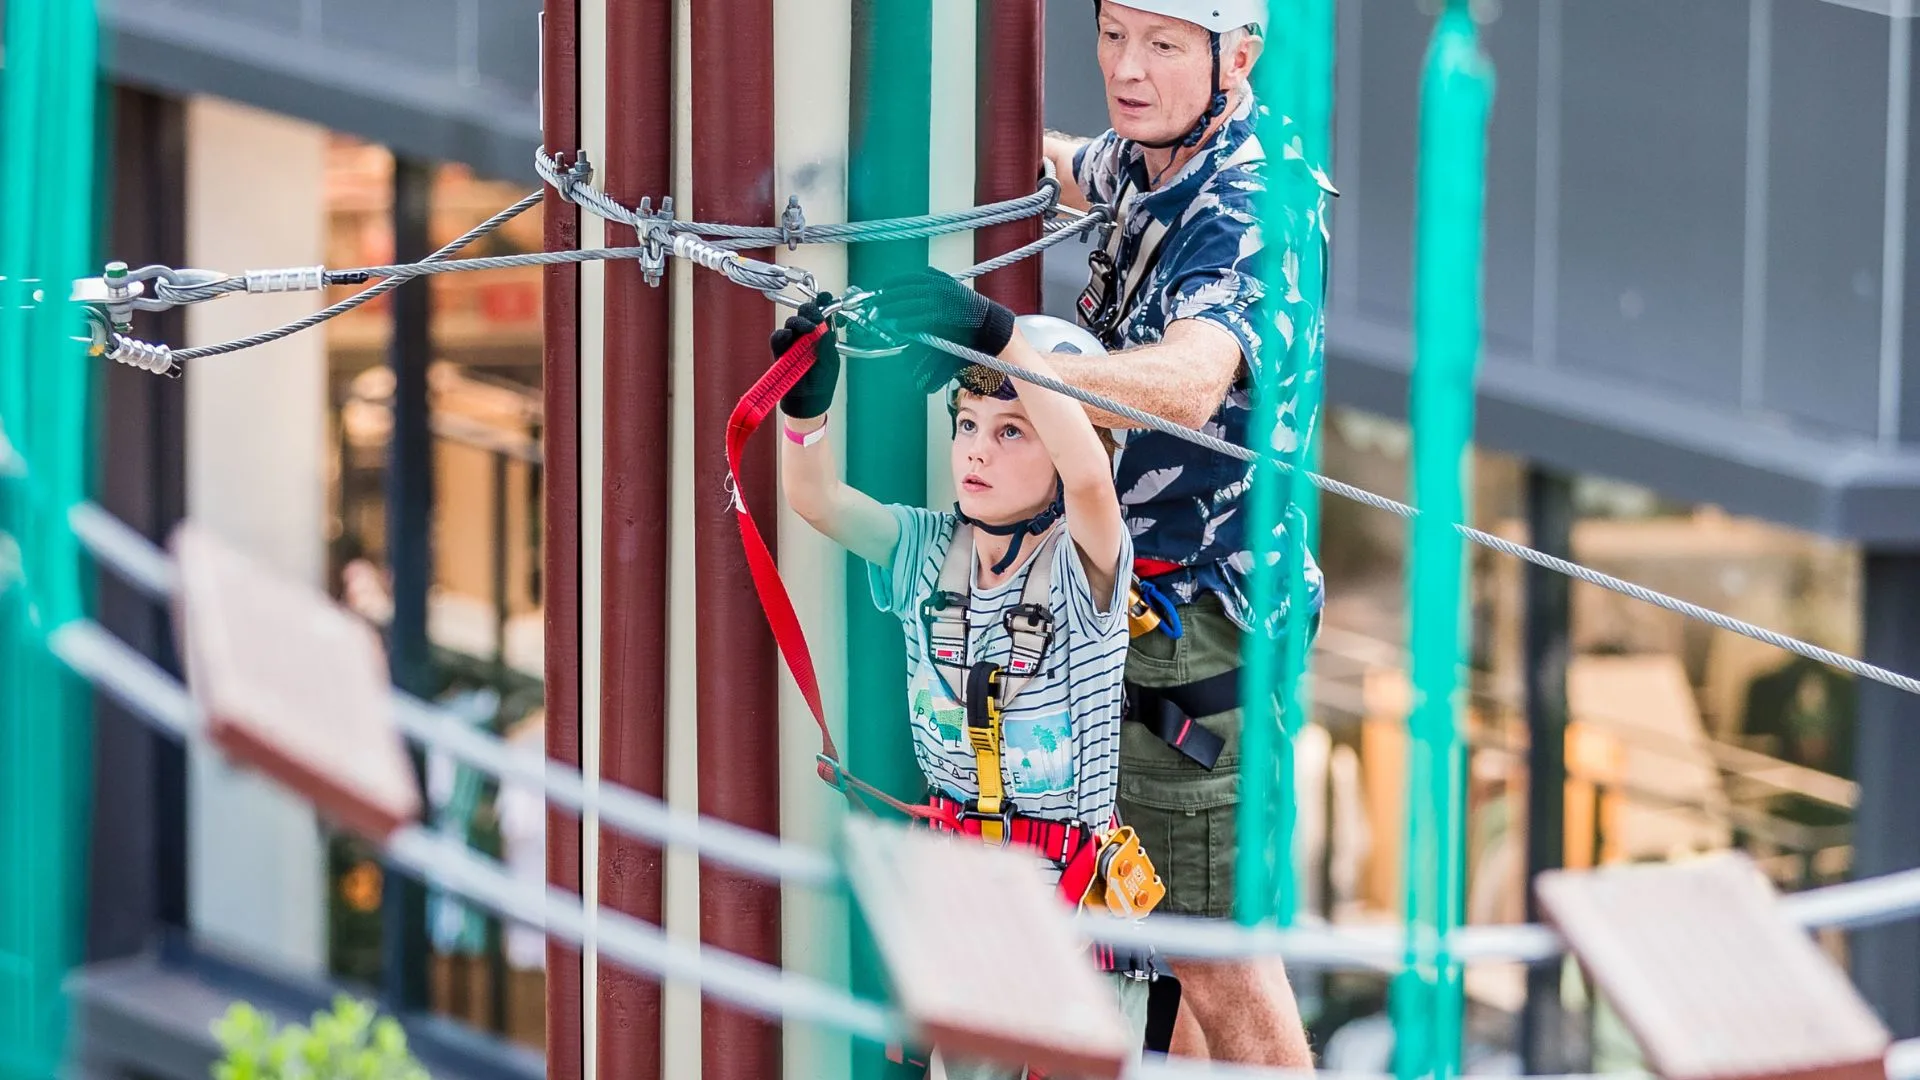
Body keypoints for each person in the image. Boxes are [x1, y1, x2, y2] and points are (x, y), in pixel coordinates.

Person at [1035, 0, 1335, 1066]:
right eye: (1114, 34)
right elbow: (1087, 167)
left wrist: (1026, 368)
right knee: (1165, 932)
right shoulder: (1166, 146)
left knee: (1211, 947)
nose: (1127, 66)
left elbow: (1192, 380)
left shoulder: (1253, 206)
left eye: (1163, 44)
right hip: (1145, 600)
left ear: (1235, 57)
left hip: (1200, 625)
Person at [774, 279, 1151, 1078]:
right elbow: (812, 498)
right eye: (968, 425)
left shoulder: (1086, 568)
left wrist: (999, 334)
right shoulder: (926, 550)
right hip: (968, 901)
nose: (978, 449)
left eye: (1014, 432)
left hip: (1070, 912)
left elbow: (1089, 482)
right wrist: (805, 409)